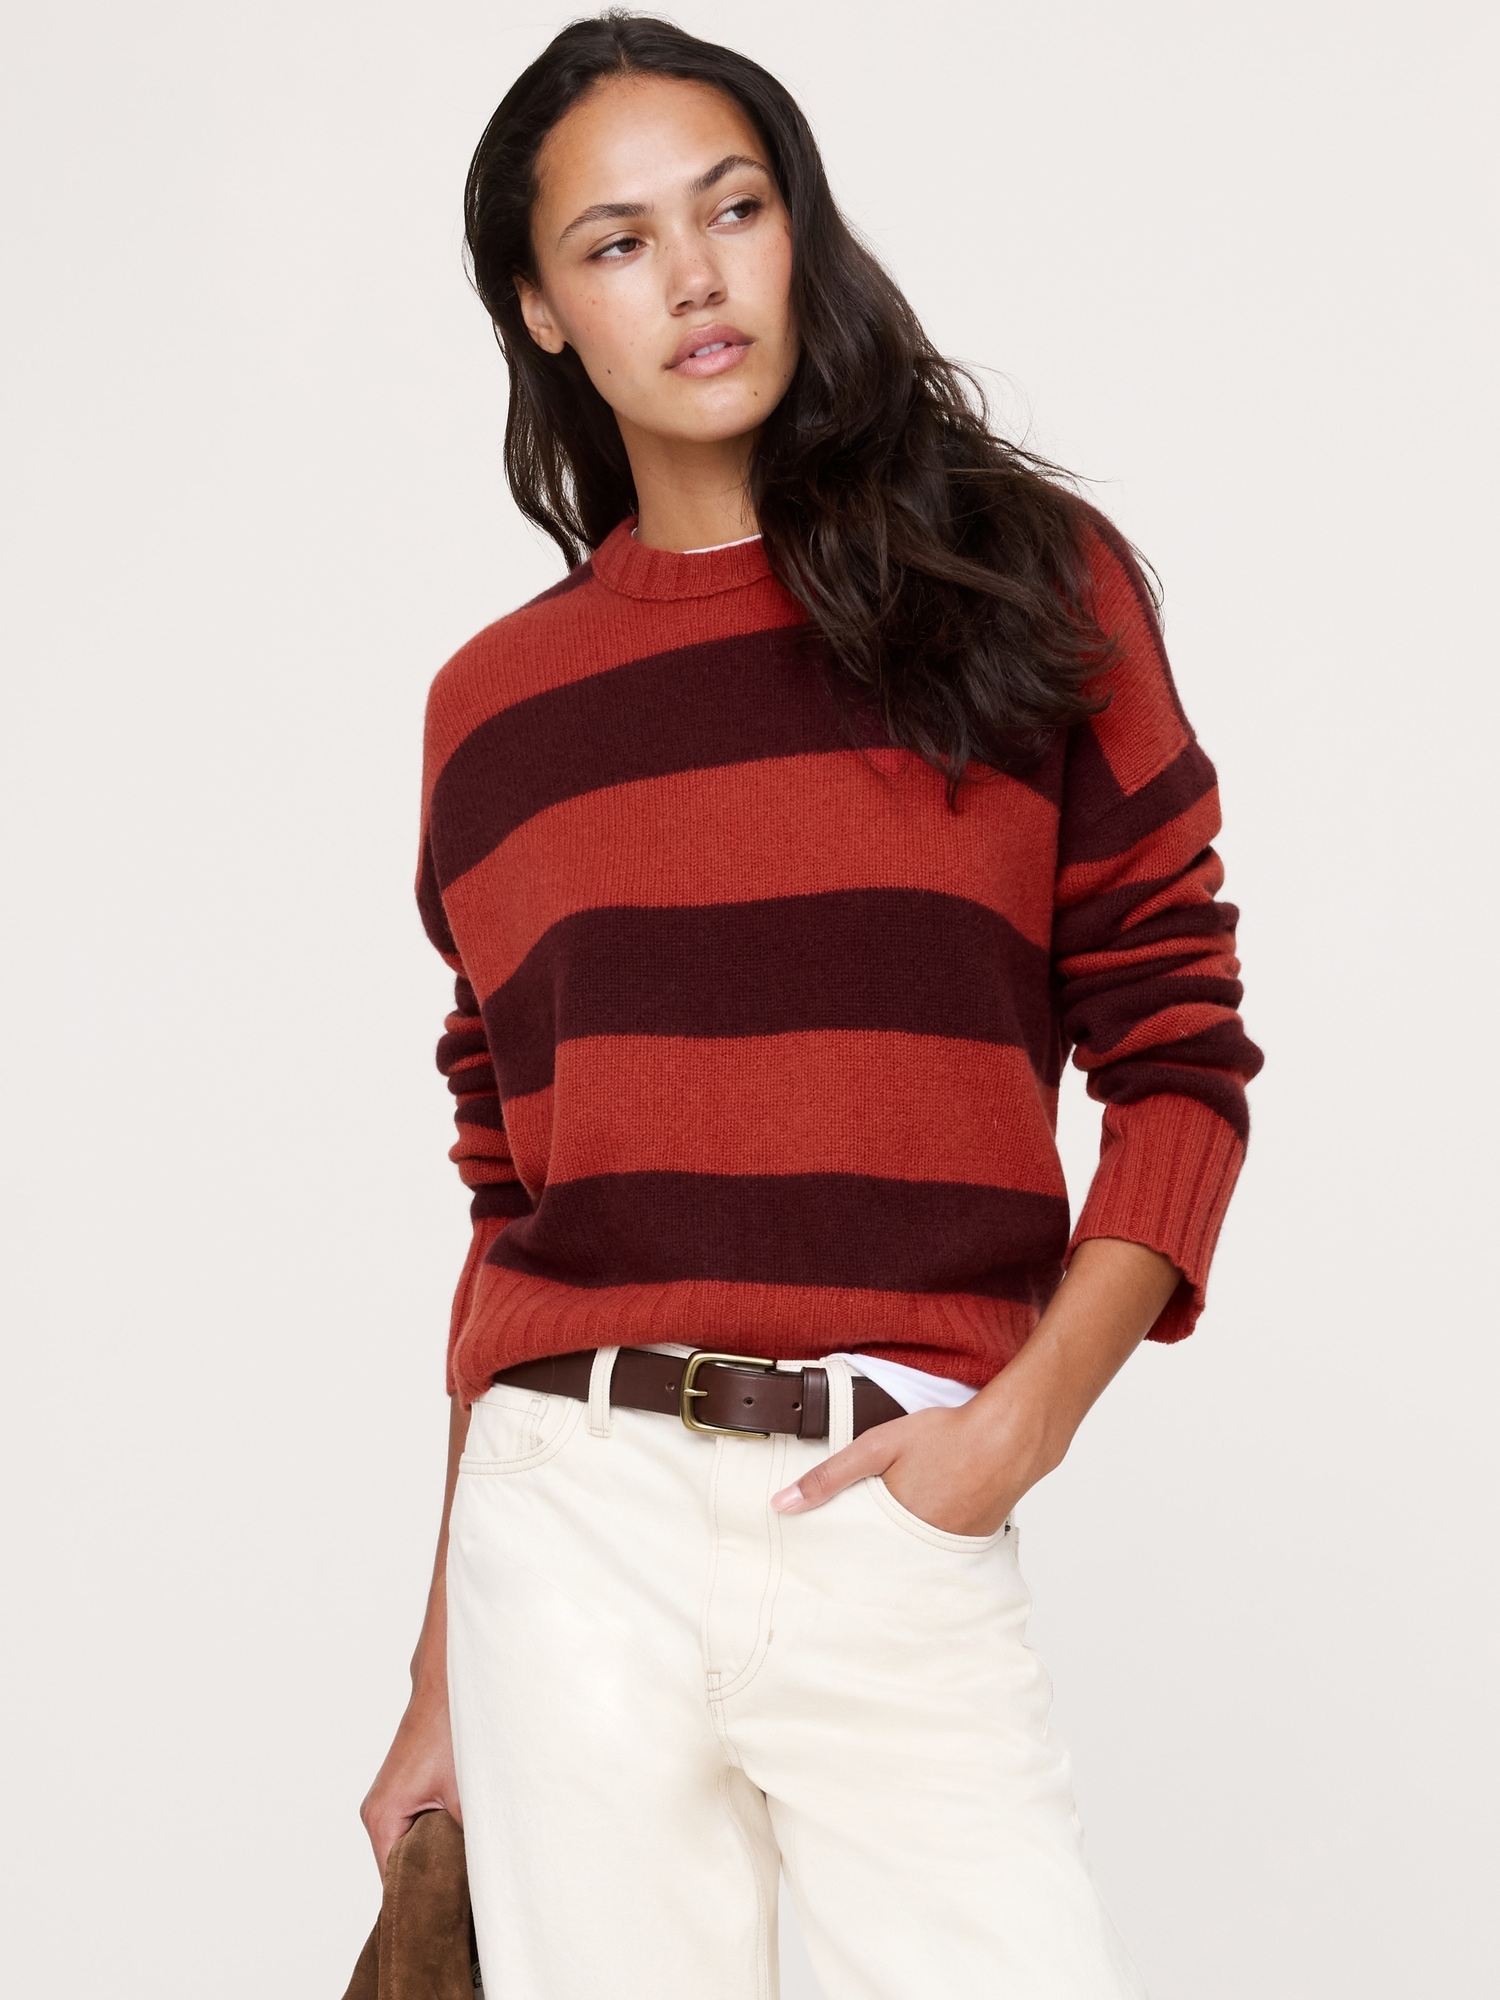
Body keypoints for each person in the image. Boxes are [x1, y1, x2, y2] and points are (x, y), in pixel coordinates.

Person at [359, 13, 1262, 1997]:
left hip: (889, 1503)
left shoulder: (1028, 585)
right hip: (569, 1532)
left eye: (734, 210)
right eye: (617, 243)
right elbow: (512, 1208)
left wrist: (1017, 1431)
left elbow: (1182, 1060)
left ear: (800, 229)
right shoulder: (491, 715)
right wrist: (438, 1674)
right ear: (540, 309)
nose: (693, 278)